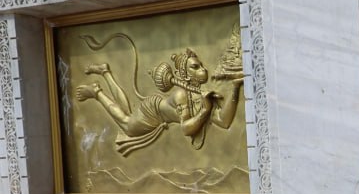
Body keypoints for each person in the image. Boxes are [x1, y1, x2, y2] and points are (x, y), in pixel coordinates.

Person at [75, 48, 241, 156]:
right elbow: (186, 129)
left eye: (201, 65)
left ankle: (105, 72)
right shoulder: (182, 95)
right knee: (127, 125)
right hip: (152, 113)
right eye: (195, 67)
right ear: (185, 74)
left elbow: (224, 122)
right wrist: (205, 111)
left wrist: (234, 87)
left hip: (158, 107)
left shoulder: (201, 95)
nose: (203, 70)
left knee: (127, 112)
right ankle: (96, 92)